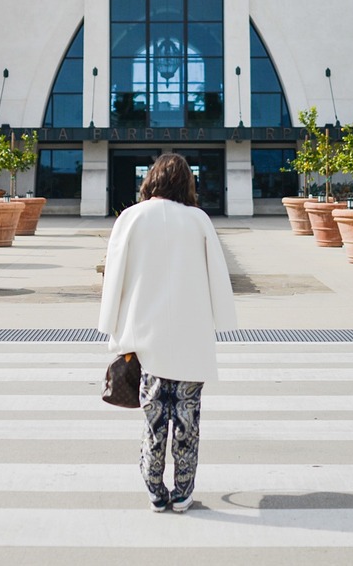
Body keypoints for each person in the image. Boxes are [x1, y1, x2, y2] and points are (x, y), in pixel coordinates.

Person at [97, 153, 238, 513]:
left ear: (151, 180)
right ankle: (183, 492)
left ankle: (156, 490)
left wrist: (111, 327)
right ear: (186, 183)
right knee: (187, 422)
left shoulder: (130, 217)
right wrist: (223, 321)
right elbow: (217, 276)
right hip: (192, 336)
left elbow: (114, 275)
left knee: (154, 419)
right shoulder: (198, 220)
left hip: (147, 338)